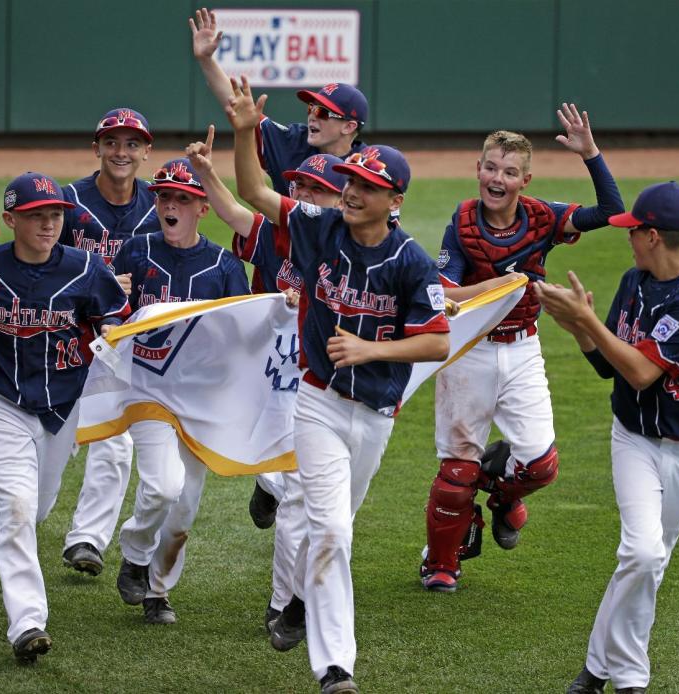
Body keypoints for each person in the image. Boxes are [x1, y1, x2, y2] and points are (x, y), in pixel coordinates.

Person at [227, 75, 450, 694]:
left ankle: (298, 600)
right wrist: (246, 131)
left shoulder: (411, 261)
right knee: (332, 530)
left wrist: (372, 348)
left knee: (333, 527)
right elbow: (252, 189)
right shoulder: (320, 227)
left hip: (376, 412)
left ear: (394, 199)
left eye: (366, 186)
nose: (350, 191)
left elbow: (436, 341)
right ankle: (335, 669)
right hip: (318, 402)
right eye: (351, 181)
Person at [0, 172, 130, 663]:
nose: (48, 223)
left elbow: (118, 324)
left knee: (32, 509)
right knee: (21, 510)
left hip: (65, 406)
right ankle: (27, 622)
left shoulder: (85, 268)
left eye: (56, 214)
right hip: (3, 402)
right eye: (37, 214)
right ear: (11, 219)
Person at [421, 104, 625, 593]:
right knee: (456, 472)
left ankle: (500, 498)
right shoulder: (463, 222)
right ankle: (441, 562)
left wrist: (591, 153)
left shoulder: (544, 218)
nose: (497, 178)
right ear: (478, 169)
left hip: (523, 348)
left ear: (525, 179)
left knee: (540, 463)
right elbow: (440, 292)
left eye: (509, 172)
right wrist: (500, 287)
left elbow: (612, 212)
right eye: (490, 167)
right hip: (468, 350)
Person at [534, 182, 679, 694]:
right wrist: (580, 330)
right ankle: (632, 681)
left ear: (654, 236)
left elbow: (641, 371)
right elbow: (609, 367)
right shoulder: (633, 282)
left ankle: (595, 672)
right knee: (642, 553)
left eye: (633, 230)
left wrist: (587, 318)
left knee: (647, 563)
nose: (628, 238)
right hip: (634, 439)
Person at [113, 157, 250, 625]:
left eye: (182, 199)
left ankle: (157, 592)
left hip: (199, 398)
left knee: (184, 506)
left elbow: (241, 337)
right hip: (146, 388)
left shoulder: (224, 265)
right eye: (163, 197)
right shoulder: (134, 251)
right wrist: (110, 294)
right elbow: (111, 319)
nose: (170, 205)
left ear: (203, 207)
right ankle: (134, 556)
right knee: (162, 485)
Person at [225, 148, 346, 631]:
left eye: (319, 189)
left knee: (329, 512)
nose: (304, 195)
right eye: (301, 187)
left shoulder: (368, 245)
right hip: (285, 378)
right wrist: (221, 159)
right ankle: (285, 604)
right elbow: (243, 203)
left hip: (349, 395)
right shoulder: (283, 230)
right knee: (301, 498)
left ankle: (269, 485)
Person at [61, 107, 157, 578]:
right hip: (59, 332)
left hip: (120, 340)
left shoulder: (161, 206)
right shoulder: (66, 202)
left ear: (146, 152)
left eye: (132, 143)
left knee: (115, 442)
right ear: (96, 147)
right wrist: (93, 282)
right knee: (47, 440)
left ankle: (87, 538)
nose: (122, 152)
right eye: (113, 142)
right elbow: (39, 261)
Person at [190, 6, 368, 195]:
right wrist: (206, 60)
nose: (312, 117)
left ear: (348, 127)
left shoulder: (368, 167)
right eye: (311, 108)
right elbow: (240, 108)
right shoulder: (291, 143)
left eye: (322, 112)